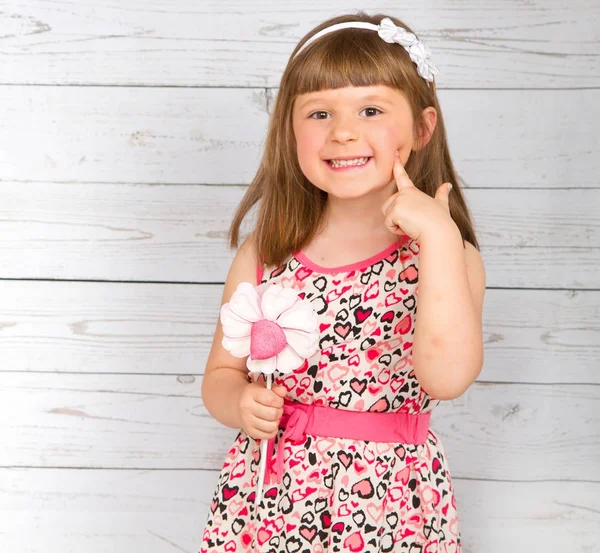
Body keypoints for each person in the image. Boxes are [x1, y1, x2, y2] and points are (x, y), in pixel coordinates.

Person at [199, 11, 486, 553]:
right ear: (290, 128)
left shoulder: (447, 255)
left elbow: (446, 378)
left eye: (371, 109)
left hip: (390, 506)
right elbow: (219, 374)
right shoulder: (268, 252)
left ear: (423, 128)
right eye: (319, 112)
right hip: (270, 503)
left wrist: (440, 239)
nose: (343, 131)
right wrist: (238, 402)